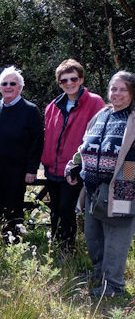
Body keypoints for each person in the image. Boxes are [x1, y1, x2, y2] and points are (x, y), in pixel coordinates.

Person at [66, 71, 135, 297]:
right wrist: (75, 164)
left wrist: (127, 183)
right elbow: (85, 145)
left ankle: (114, 285)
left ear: (132, 92)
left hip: (122, 189)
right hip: (93, 188)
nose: (117, 93)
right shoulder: (102, 115)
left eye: (123, 89)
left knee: (116, 236)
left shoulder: (133, 118)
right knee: (93, 233)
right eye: (114, 89)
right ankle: (99, 273)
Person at [41, 59, 104, 255]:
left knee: (66, 208)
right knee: (54, 209)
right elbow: (49, 135)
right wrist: (46, 160)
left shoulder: (95, 102)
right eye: (63, 80)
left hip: (75, 168)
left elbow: (98, 135)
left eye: (73, 79)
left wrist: (81, 163)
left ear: (81, 79)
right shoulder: (54, 105)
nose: (69, 83)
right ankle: (55, 248)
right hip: (53, 167)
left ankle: (67, 250)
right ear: (59, 83)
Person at [0, 66, 43, 241]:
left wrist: (31, 169)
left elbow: (37, 142)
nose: (8, 86)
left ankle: (12, 242)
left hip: (16, 171)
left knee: (13, 207)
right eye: (4, 83)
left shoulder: (30, 110)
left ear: (20, 87)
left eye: (13, 83)